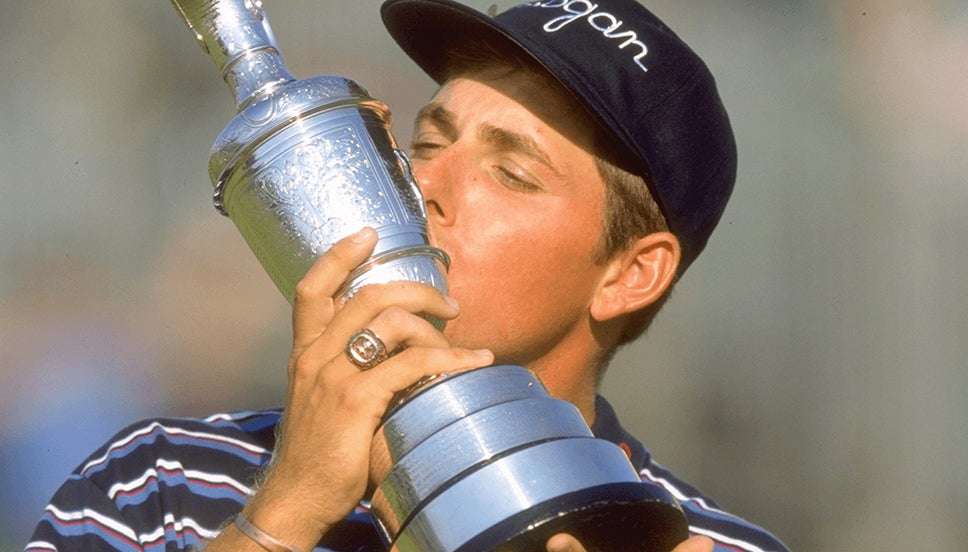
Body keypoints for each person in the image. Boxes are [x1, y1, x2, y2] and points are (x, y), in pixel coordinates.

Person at [26, 1, 789, 551]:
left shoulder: (698, 545)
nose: (422, 186)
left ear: (631, 274)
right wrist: (283, 514)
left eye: (512, 174)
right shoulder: (156, 483)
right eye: (427, 143)